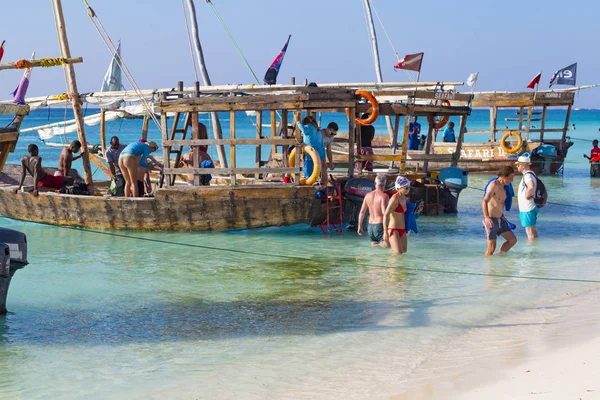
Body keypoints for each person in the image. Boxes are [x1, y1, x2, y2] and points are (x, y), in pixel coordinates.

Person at [482, 166, 518, 256]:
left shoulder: (506, 188)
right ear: (504, 176)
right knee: (491, 248)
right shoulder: (494, 185)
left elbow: (499, 204)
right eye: (510, 177)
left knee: (512, 240)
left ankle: (499, 257)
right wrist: (486, 217)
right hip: (491, 220)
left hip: (500, 219)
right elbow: (484, 201)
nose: (512, 180)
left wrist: (501, 215)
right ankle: (489, 268)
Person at [357, 174, 389, 247]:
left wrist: (359, 226)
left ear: (375, 183)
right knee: (387, 251)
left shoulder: (368, 195)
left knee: (375, 252)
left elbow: (362, 212)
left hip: (370, 227)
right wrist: (385, 230)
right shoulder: (384, 196)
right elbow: (385, 214)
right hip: (380, 226)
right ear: (385, 184)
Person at [383, 176, 411, 255]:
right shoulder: (394, 199)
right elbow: (385, 215)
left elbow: (406, 214)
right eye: (406, 188)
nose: (408, 190)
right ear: (398, 188)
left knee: (404, 253)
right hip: (393, 230)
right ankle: (388, 267)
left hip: (403, 230)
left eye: (409, 187)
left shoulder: (405, 198)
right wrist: (385, 231)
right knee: (398, 254)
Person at [297, 116, 326, 185]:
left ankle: (308, 190)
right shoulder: (318, 131)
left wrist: (297, 121)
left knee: (308, 175)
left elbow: (303, 129)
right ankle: (318, 189)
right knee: (317, 175)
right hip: (319, 156)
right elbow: (322, 145)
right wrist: (324, 158)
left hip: (310, 156)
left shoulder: (309, 127)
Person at [516, 155, 539, 240]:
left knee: (529, 232)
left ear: (523, 165)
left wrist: (527, 195)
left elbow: (531, 186)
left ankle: (530, 252)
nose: (517, 166)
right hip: (531, 206)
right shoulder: (531, 173)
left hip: (527, 208)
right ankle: (534, 248)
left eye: (518, 165)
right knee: (532, 231)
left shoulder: (527, 176)